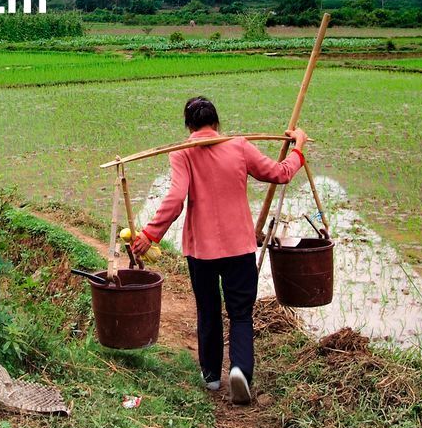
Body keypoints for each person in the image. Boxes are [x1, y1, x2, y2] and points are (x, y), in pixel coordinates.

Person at [129, 95, 308, 405]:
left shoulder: (182, 154)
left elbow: (175, 199)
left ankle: (212, 376)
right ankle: (240, 370)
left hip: (202, 251)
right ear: (216, 123)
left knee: (208, 310)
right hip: (239, 247)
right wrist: (299, 147)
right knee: (240, 314)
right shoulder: (239, 145)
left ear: (188, 126)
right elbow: (280, 174)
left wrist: (150, 234)